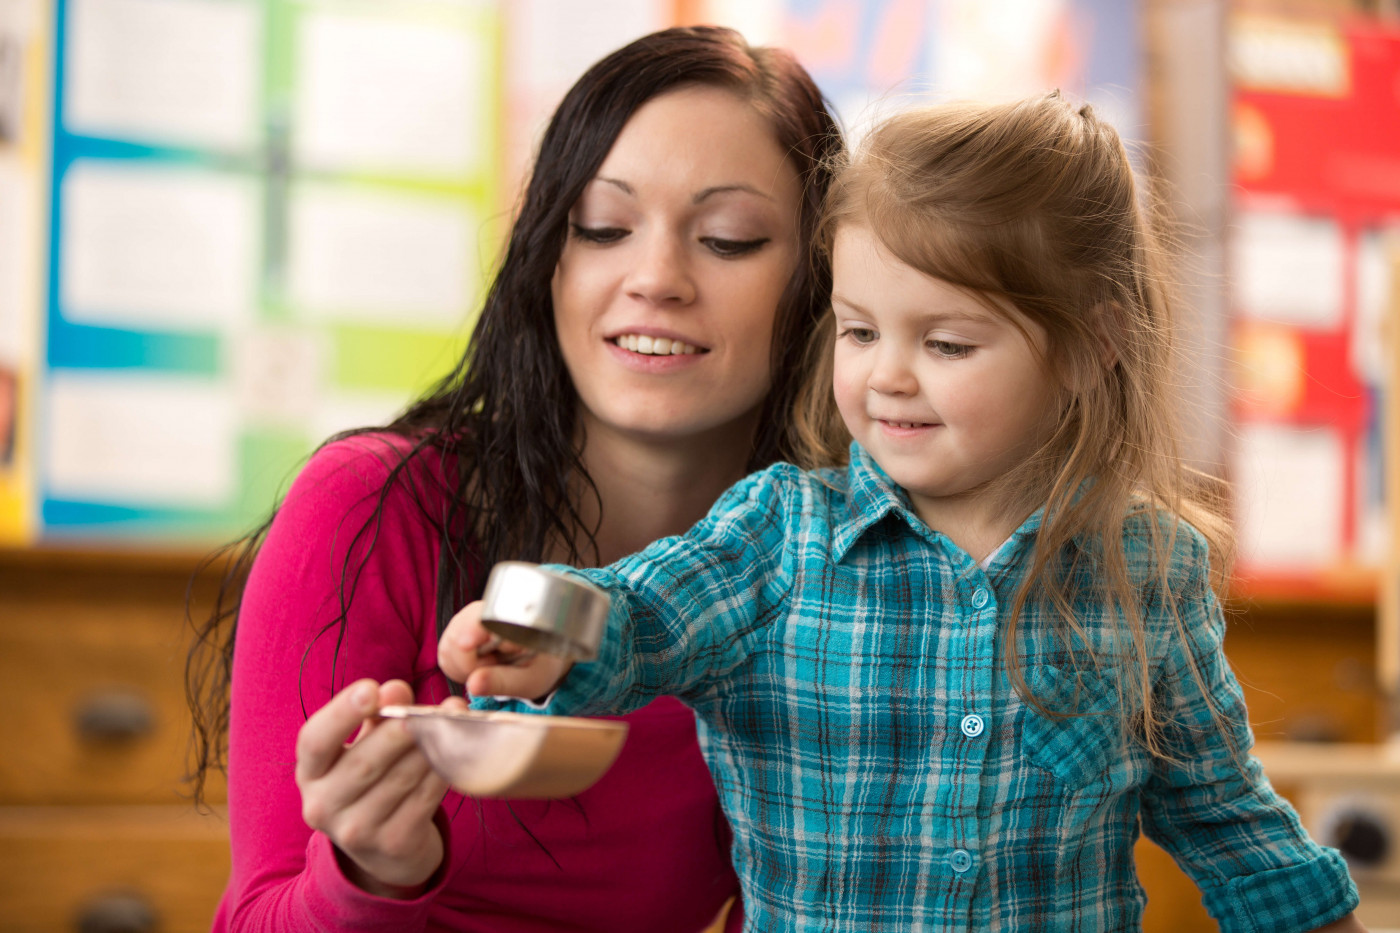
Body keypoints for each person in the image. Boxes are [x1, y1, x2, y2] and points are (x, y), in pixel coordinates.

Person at [440, 93, 1368, 932]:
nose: (886, 375)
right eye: (859, 330)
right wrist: (545, 630)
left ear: (1092, 348)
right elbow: (636, 619)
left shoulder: (1147, 573)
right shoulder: (779, 535)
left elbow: (1233, 827)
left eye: (948, 341)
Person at [184, 25, 845, 932]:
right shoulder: (374, 507)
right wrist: (370, 874)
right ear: (549, 261)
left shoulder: (827, 572)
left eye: (729, 239)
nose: (654, 278)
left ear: (821, 284)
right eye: (604, 228)